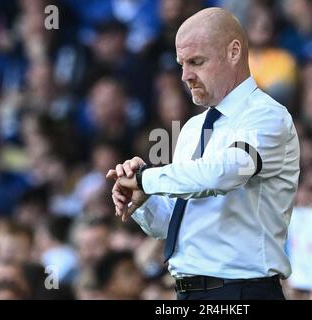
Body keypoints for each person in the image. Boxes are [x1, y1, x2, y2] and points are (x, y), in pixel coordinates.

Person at [106, 7, 300, 300]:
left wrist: (147, 177)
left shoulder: (266, 116)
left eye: (196, 62)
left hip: (243, 291)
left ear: (234, 52)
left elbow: (225, 173)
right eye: (181, 64)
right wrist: (144, 202)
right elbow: (173, 226)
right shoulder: (192, 128)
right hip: (186, 293)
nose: (185, 76)